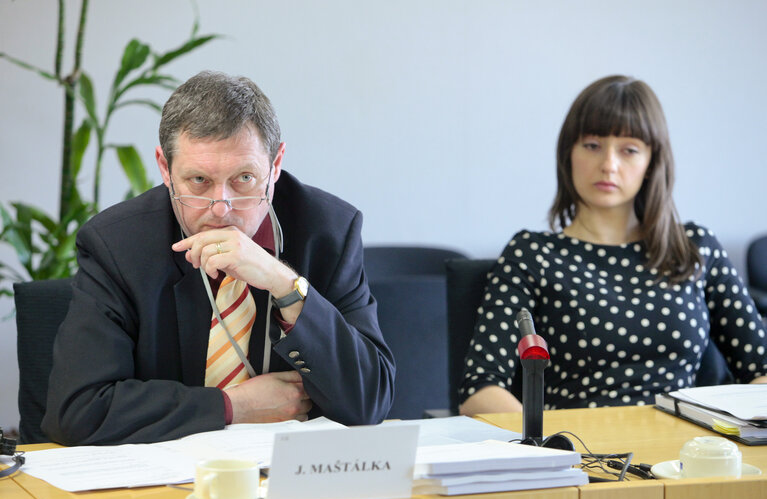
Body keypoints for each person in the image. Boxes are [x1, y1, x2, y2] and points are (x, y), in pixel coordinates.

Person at [42, 71, 395, 445]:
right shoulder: (118, 245)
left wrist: (285, 285)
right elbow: (77, 411)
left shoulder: (329, 232)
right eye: (198, 181)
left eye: (244, 178)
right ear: (165, 169)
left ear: (275, 166)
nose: (221, 209)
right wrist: (230, 406)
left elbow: (370, 401)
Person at [459, 75, 767, 415]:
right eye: (592, 145)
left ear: (652, 163)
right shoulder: (533, 254)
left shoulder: (695, 248)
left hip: (687, 457)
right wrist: (550, 447)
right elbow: (481, 388)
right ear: (568, 155)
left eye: (629, 150)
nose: (608, 164)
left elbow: (760, 368)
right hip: (579, 452)